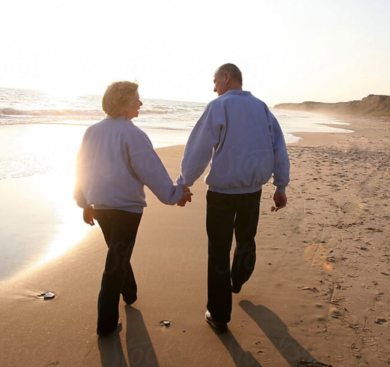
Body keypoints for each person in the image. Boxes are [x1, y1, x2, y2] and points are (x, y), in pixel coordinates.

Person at [176, 63, 290, 333]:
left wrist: (183, 183)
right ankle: (237, 280)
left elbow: (199, 148)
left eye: (215, 80)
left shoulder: (219, 106)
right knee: (246, 239)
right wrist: (281, 185)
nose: (213, 86)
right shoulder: (262, 108)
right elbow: (278, 148)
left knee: (218, 251)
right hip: (252, 192)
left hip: (222, 194)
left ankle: (219, 314)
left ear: (227, 77)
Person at [74, 81, 192, 336]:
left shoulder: (91, 131)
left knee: (117, 254)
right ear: (124, 102)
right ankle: (106, 324)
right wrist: (175, 195)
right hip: (126, 209)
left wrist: (84, 202)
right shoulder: (132, 134)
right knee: (115, 261)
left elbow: (81, 169)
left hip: (102, 206)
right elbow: (152, 172)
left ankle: (130, 293)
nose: (140, 103)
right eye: (137, 99)